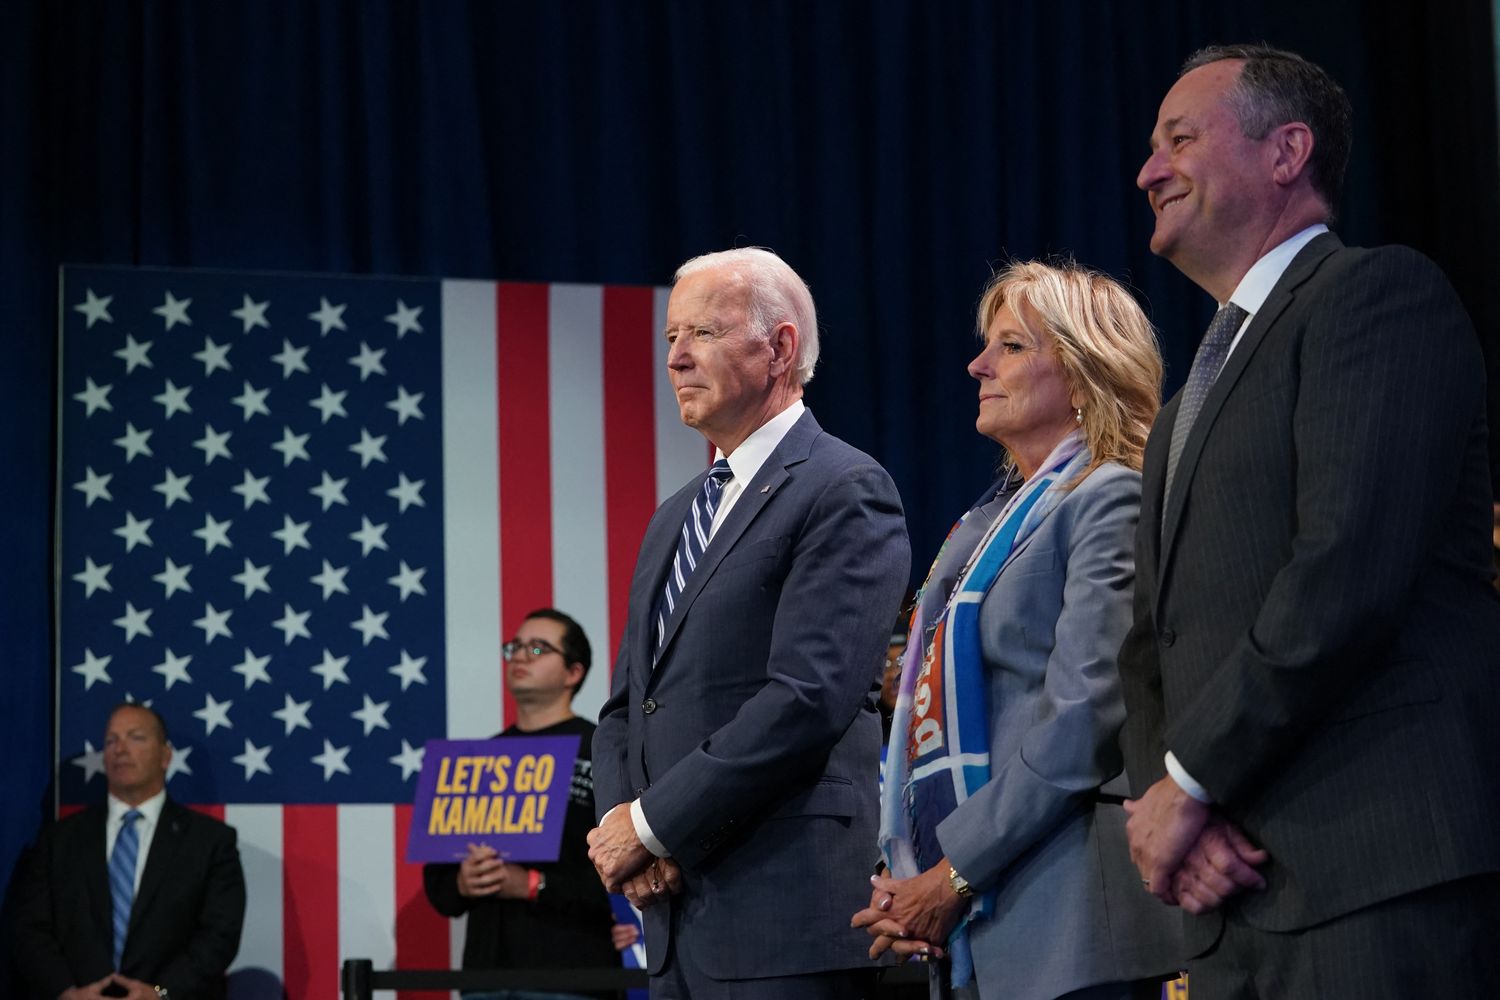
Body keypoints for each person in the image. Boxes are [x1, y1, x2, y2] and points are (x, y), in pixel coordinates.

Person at [1121, 43, 1500, 997]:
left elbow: (1345, 574)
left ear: (1286, 152)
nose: (1148, 170)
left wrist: (1191, 783)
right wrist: (1163, 805)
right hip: (1228, 892)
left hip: (1369, 869)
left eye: (1180, 139)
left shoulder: (1375, 297)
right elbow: (1148, 645)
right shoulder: (1178, 414)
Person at [852, 261, 1181, 1000]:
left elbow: (1083, 720)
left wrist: (954, 871)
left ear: (1082, 368)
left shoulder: (1109, 498)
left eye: (1009, 346)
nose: (978, 364)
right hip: (978, 913)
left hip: (1064, 916)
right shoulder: (984, 529)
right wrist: (913, 877)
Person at [587, 247, 911, 999]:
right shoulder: (676, 517)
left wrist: (655, 825)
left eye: (701, 332)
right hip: (672, 923)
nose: (675, 358)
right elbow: (626, 707)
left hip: (782, 920)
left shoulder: (843, 488)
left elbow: (806, 699)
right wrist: (624, 832)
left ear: (780, 347)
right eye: (670, 338)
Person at [424, 609, 632, 1000]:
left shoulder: (603, 750)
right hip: (485, 980)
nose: (519, 656)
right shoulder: (479, 759)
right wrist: (462, 881)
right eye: (515, 647)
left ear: (573, 672)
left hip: (575, 978)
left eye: (538, 649)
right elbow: (439, 885)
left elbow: (626, 864)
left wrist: (535, 885)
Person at [12, 703, 245, 1000]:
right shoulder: (59, 839)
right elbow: (30, 928)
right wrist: (67, 992)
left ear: (165, 755)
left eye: (135, 737)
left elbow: (219, 936)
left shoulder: (210, 842)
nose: (120, 749)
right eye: (111, 740)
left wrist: (160, 993)